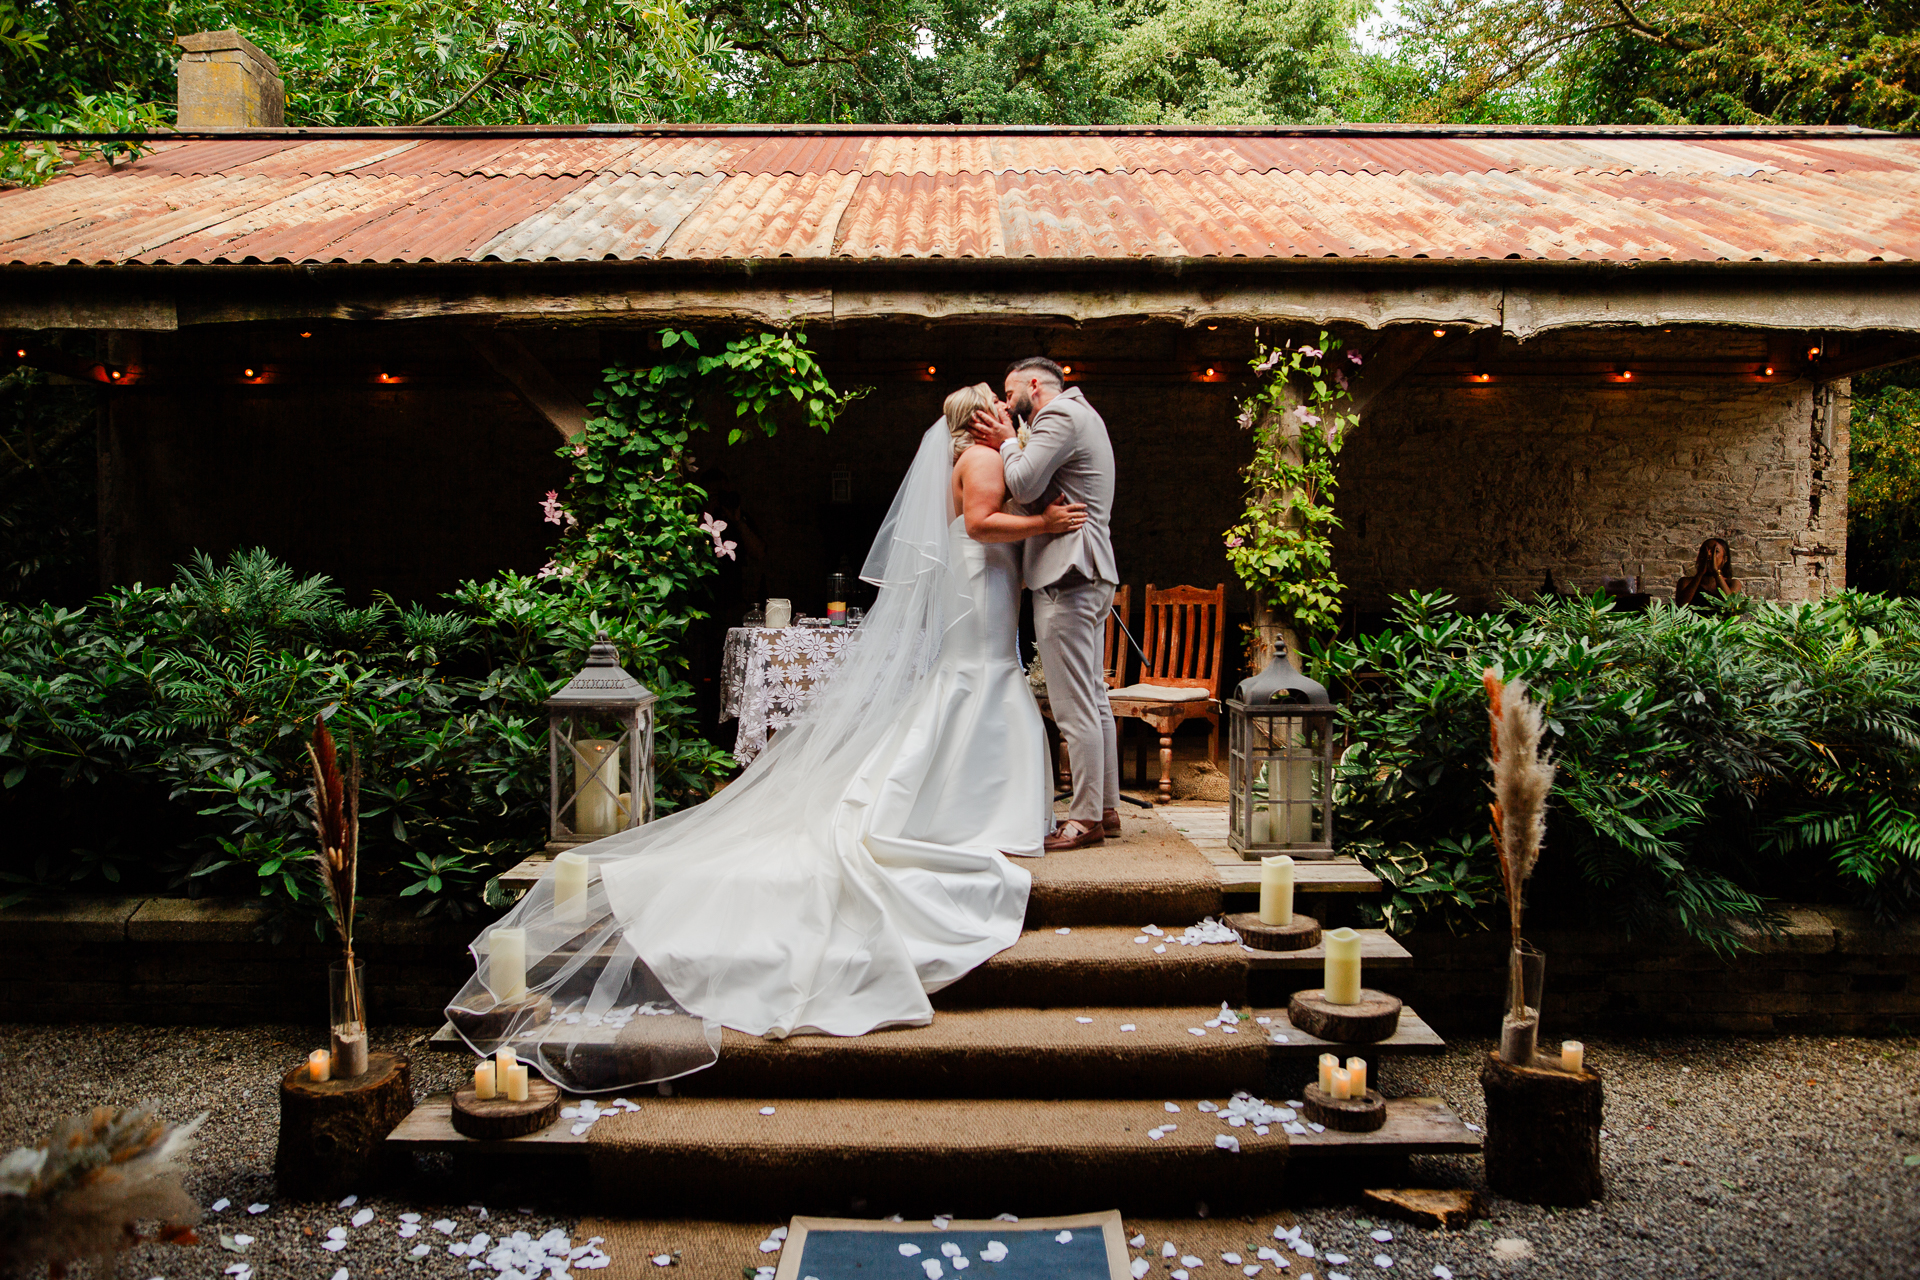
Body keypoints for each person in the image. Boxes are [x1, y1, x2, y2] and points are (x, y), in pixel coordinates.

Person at [444, 386, 1088, 1092]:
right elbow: (980, 525)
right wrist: (1048, 523)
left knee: (973, 681)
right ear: (976, 421)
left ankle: (953, 798)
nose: (1006, 411)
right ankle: (965, 805)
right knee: (981, 677)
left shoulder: (964, 458)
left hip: (979, 590)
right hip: (983, 583)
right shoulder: (986, 463)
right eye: (995, 404)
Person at [971, 357, 1120, 851]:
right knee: (1093, 698)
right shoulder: (1083, 415)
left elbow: (1026, 483)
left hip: (1067, 572)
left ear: (1033, 385)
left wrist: (1007, 443)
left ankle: (1083, 820)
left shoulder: (1057, 416)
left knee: (1072, 705)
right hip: (1089, 571)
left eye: (1010, 393)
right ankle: (1104, 808)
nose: (1006, 403)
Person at [1674, 537, 1741, 606]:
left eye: (1715, 552)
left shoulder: (1733, 583)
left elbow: (1729, 605)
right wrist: (1700, 573)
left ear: (1725, 559)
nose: (1708, 555)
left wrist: (1716, 571)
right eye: (1704, 551)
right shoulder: (1686, 582)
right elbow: (1681, 604)